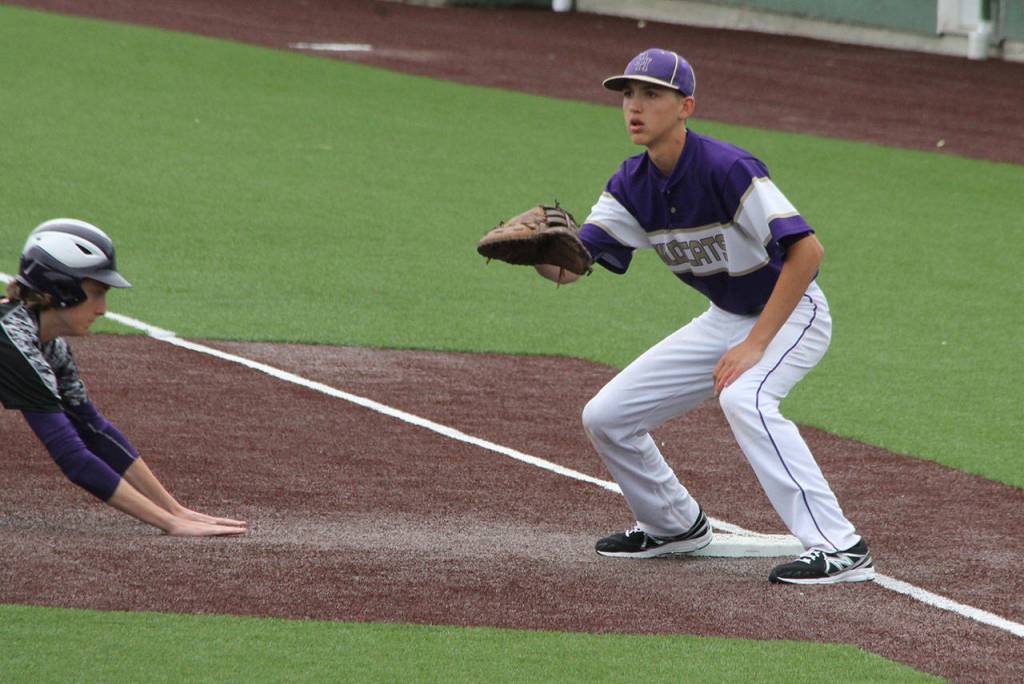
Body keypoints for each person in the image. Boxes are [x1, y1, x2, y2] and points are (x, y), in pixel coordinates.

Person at [536, 49, 874, 584]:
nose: (634, 107)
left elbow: (807, 254)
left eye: (651, 94)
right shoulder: (630, 186)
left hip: (792, 311)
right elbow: (571, 270)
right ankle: (672, 525)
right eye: (628, 94)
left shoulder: (727, 168)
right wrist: (541, 254)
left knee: (745, 396)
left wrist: (757, 344)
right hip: (724, 318)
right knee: (607, 417)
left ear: (685, 106)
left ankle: (840, 547)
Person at [1, 218, 246, 536]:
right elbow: (72, 457)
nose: (103, 309)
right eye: (96, 292)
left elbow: (92, 429)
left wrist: (174, 509)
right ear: (62, 291)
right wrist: (168, 524)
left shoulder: (48, 346)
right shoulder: (11, 341)